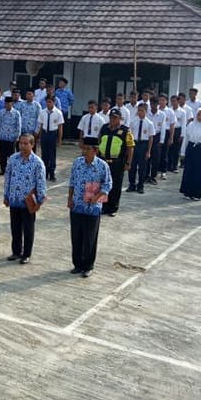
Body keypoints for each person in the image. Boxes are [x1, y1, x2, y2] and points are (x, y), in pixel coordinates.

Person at [67, 136, 112, 278]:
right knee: (76, 236)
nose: (84, 151)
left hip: (93, 208)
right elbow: (72, 182)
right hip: (77, 206)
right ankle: (77, 264)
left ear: (95, 150)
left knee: (90, 238)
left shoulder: (102, 166)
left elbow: (107, 185)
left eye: (88, 149)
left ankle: (88, 266)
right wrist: (70, 199)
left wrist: (97, 197)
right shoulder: (77, 163)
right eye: (84, 148)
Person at [3, 133, 47, 264]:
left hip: (28, 202)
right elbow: (7, 178)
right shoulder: (13, 159)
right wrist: (6, 195)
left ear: (32, 145)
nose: (22, 146)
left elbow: (41, 182)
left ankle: (26, 254)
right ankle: (16, 251)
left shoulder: (37, 162)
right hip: (14, 199)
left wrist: (40, 200)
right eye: (21, 143)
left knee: (28, 229)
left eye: (26, 143)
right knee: (15, 228)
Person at [97, 108, 133, 216]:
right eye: (111, 117)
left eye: (115, 118)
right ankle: (104, 206)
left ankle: (113, 208)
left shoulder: (126, 131)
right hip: (103, 161)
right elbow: (99, 142)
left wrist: (128, 163)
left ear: (120, 119)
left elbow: (130, 148)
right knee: (103, 184)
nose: (112, 119)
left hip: (117, 162)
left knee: (115, 185)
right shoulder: (104, 128)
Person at [179, 108, 201, 200]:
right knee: (189, 170)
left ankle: (198, 193)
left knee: (199, 171)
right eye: (198, 115)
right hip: (191, 148)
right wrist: (182, 152)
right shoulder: (191, 125)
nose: (200, 117)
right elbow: (186, 139)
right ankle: (188, 192)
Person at [127, 103, 154, 194]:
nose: (140, 112)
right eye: (138, 110)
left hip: (143, 144)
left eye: (142, 111)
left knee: (142, 167)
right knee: (132, 166)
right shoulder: (133, 122)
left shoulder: (149, 123)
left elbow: (150, 138)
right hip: (134, 144)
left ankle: (140, 186)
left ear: (146, 111)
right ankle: (132, 184)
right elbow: (129, 135)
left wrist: (148, 151)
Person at [38, 95, 64, 181]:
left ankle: (52, 173)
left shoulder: (58, 112)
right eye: (47, 102)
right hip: (45, 133)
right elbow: (41, 125)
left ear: (54, 102)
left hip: (53, 134)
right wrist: (40, 137)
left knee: (52, 154)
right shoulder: (43, 112)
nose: (48, 104)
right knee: (44, 154)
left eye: (50, 102)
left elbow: (60, 127)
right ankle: (44, 172)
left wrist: (59, 139)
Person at [0, 96, 22, 175]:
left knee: (11, 155)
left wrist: (17, 136)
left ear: (12, 103)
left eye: (8, 103)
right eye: (6, 103)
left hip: (12, 137)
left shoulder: (16, 113)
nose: (7, 105)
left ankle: (11, 170)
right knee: (2, 155)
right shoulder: (1, 112)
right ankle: (2, 169)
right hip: (3, 137)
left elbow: (18, 125)